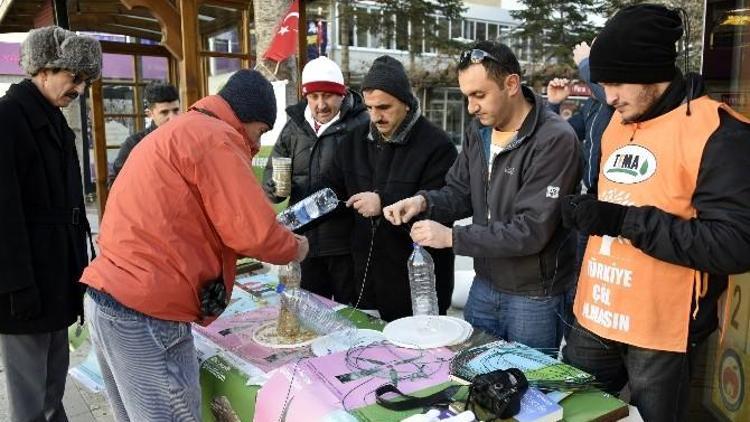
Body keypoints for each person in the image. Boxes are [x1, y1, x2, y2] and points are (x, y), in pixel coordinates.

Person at [81, 69, 309, 421]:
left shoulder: (183, 129)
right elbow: (255, 232)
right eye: (260, 132)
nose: (254, 144)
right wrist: (294, 248)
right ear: (248, 118)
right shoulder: (216, 137)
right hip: (147, 312)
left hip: (111, 299)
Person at [561, 4, 750, 420]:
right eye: (602, 83)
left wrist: (624, 221)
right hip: (595, 313)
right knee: (574, 415)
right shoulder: (619, 118)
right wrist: (586, 209)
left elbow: (735, 245)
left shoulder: (718, 133)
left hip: (662, 334)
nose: (607, 96)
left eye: (616, 82)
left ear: (652, 70)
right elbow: (615, 194)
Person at [383, 41, 581, 350]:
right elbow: (460, 191)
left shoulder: (555, 139)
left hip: (534, 294)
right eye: (467, 97)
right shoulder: (479, 130)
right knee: (473, 375)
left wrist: (453, 238)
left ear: (511, 83)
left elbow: (531, 230)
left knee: (528, 387)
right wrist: (424, 201)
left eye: (479, 95)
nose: (471, 107)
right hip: (485, 284)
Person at [0, 26, 100, 422]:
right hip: (24, 284)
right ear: (42, 70)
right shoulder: (8, 120)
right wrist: (16, 286)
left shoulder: (54, 119)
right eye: (73, 77)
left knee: (52, 385)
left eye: (85, 80)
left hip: (56, 276)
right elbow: (3, 214)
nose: (78, 88)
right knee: (30, 397)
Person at [326, 55, 457, 322]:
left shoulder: (437, 145)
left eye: (384, 107)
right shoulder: (353, 142)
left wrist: (383, 202)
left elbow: (442, 209)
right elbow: (329, 192)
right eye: (370, 108)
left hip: (418, 289)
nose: (376, 117)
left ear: (406, 103)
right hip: (365, 284)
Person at [262, 57, 368, 304]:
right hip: (304, 244)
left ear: (342, 95)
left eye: (328, 96)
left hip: (345, 246)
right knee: (310, 313)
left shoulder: (361, 125)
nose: (320, 105)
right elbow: (273, 179)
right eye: (314, 96)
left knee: (346, 315)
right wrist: (275, 187)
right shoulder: (294, 128)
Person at [110, 81, 180, 184]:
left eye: (176, 110)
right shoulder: (134, 144)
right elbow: (116, 184)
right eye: (164, 112)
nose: (173, 118)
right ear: (150, 114)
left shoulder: (187, 140)